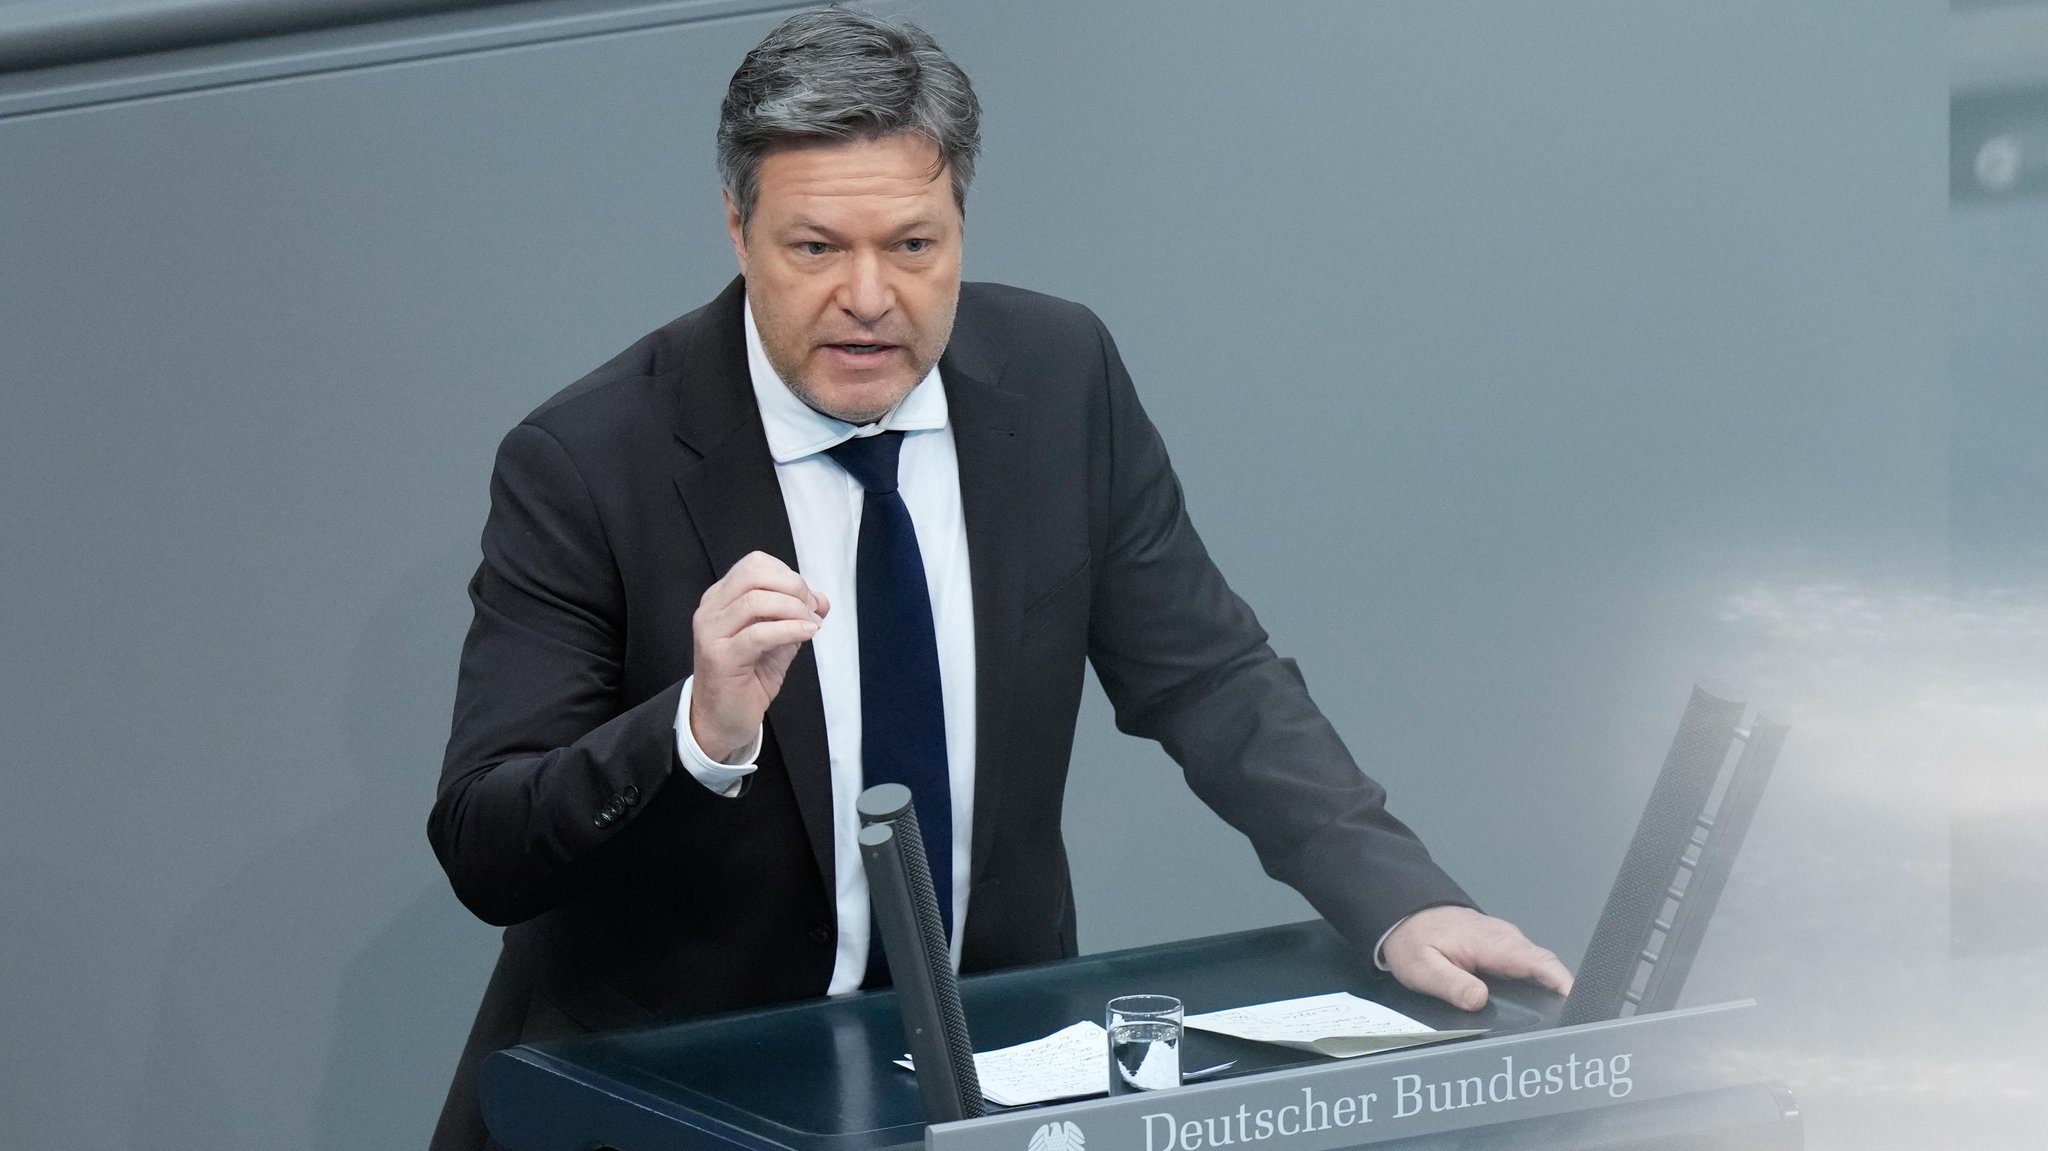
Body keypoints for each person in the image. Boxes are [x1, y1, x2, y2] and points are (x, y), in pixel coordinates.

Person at [428, 8, 1572, 1149]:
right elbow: (487, 839)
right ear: (737, 229)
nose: (869, 296)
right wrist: (693, 728)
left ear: (960, 226)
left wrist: (1399, 896)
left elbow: (1210, 678)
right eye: (816, 247)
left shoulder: (1058, 376)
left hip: (978, 1081)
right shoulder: (588, 459)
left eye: (913, 246)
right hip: (674, 1092)